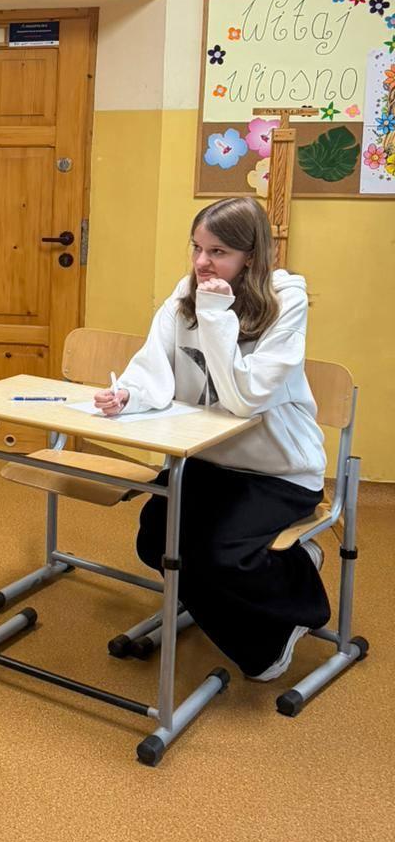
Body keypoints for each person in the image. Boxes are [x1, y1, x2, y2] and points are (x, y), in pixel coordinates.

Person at [93, 196, 329, 682]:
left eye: (218, 251)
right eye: (197, 247)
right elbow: (153, 366)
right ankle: (275, 575)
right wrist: (128, 395)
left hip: (279, 469)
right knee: (155, 541)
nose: (202, 262)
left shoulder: (286, 303)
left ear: (251, 256)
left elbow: (245, 398)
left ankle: (284, 615)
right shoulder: (186, 294)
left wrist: (217, 313)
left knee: (222, 555)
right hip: (207, 459)